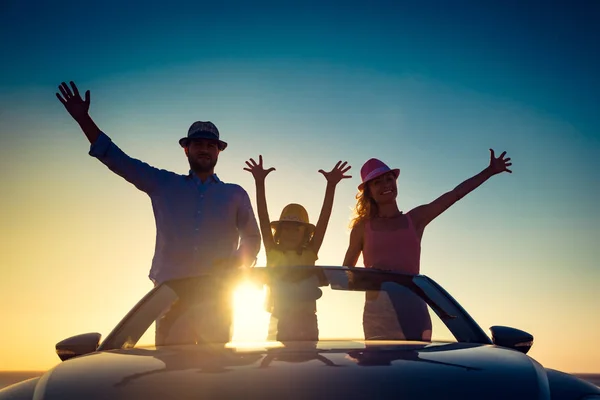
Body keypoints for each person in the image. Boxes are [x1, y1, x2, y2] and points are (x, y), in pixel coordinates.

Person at [56, 81, 261, 344]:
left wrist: (237, 263)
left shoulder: (235, 194)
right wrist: (84, 119)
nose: (204, 149)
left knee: (218, 373)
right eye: (198, 144)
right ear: (186, 149)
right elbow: (120, 160)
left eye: (211, 145)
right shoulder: (164, 184)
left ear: (218, 151)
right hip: (170, 299)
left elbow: (252, 239)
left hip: (217, 300)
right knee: (170, 377)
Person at [342, 151, 512, 341]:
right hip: (378, 313)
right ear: (369, 192)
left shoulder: (415, 219)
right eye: (377, 182)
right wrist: (372, 279)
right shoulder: (361, 228)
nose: (386, 185)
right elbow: (347, 274)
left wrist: (489, 172)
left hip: (414, 308)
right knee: (381, 369)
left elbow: (454, 195)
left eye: (389, 179)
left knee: (418, 368)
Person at [244, 156, 351, 342]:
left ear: (305, 233)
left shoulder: (310, 252)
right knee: (277, 369)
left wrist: (331, 186)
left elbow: (324, 220)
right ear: (279, 231)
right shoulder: (272, 251)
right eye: (286, 226)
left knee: (308, 366)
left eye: (297, 228)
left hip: (307, 321)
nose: (291, 231)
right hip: (278, 320)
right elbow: (263, 217)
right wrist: (259, 182)